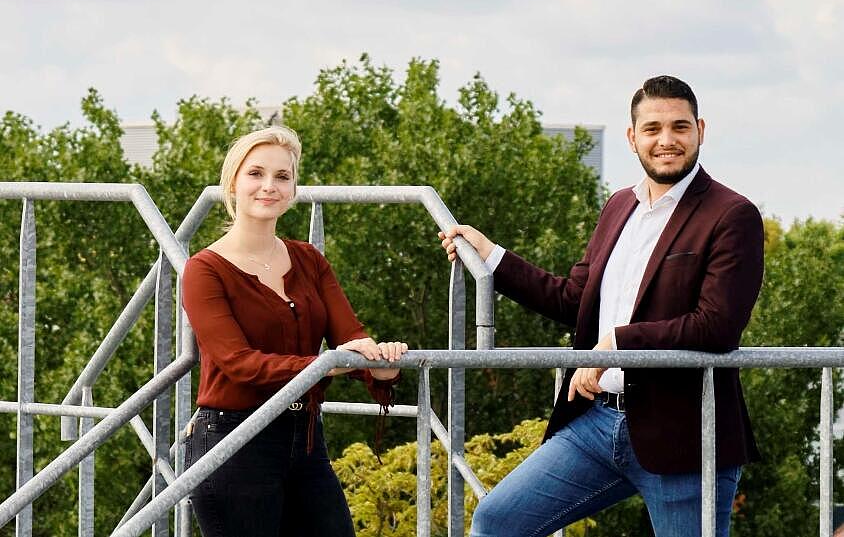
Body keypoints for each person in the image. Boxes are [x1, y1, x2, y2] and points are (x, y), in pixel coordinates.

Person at [439, 76, 763, 537]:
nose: (666, 140)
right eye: (652, 129)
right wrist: (493, 257)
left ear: (700, 130)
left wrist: (616, 345)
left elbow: (717, 326)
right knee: (496, 521)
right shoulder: (618, 207)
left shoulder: (732, 215)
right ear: (633, 138)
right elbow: (574, 300)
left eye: (679, 127)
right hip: (597, 424)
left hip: (686, 436)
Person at [181, 125, 408, 537]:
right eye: (256, 174)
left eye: (282, 177)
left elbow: (350, 339)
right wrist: (322, 367)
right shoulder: (204, 269)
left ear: (293, 189)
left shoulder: (309, 260)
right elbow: (238, 363)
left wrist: (380, 365)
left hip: (304, 438)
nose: (269, 186)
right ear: (233, 182)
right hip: (234, 440)